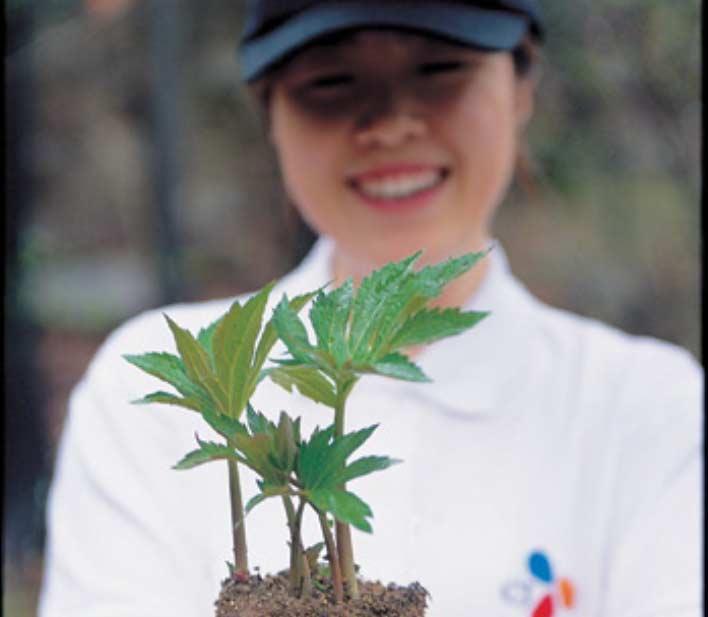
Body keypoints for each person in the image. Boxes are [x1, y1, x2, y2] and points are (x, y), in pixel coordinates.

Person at [39, 1, 702, 616]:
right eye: (331, 82)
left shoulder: (652, 409)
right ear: (267, 111)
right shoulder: (141, 391)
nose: (390, 124)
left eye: (440, 68)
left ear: (523, 83)